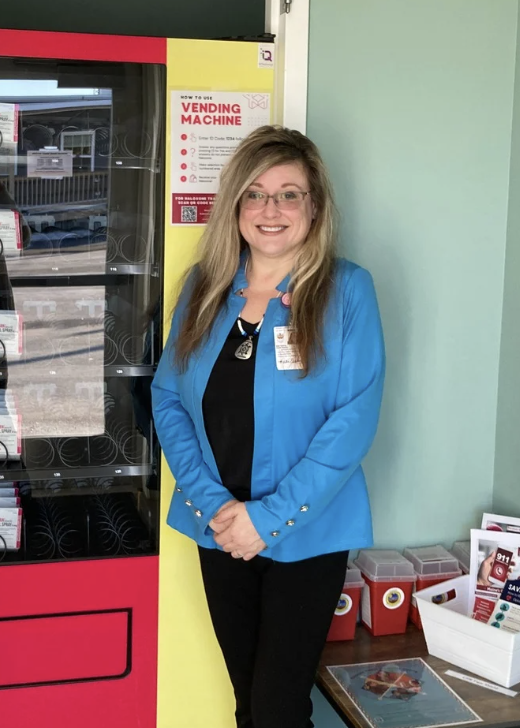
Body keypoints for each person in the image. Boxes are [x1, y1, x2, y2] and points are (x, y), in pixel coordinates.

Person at [151, 125, 385, 728]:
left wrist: (267, 520)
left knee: (279, 709)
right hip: (220, 528)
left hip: (305, 534)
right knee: (247, 703)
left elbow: (353, 418)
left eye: (289, 193)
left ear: (315, 207)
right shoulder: (204, 287)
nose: (270, 209)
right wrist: (218, 509)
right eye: (255, 194)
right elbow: (168, 398)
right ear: (235, 206)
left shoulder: (347, 290)